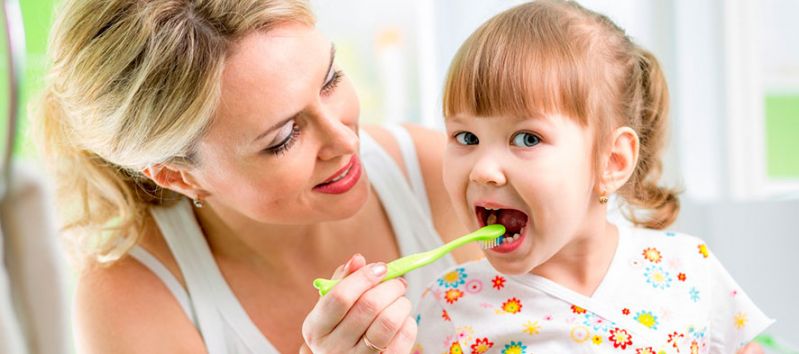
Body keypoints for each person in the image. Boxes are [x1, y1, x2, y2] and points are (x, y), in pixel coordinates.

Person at [33, 0, 484, 353]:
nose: (345, 142)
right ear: (179, 176)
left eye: (330, 80)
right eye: (284, 138)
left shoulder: (438, 172)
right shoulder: (134, 304)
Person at [413, 1, 772, 353]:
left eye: (527, 139)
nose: (483, 170)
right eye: (466, 138)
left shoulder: (687, 269)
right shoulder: (450, 308)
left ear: (611, 161)